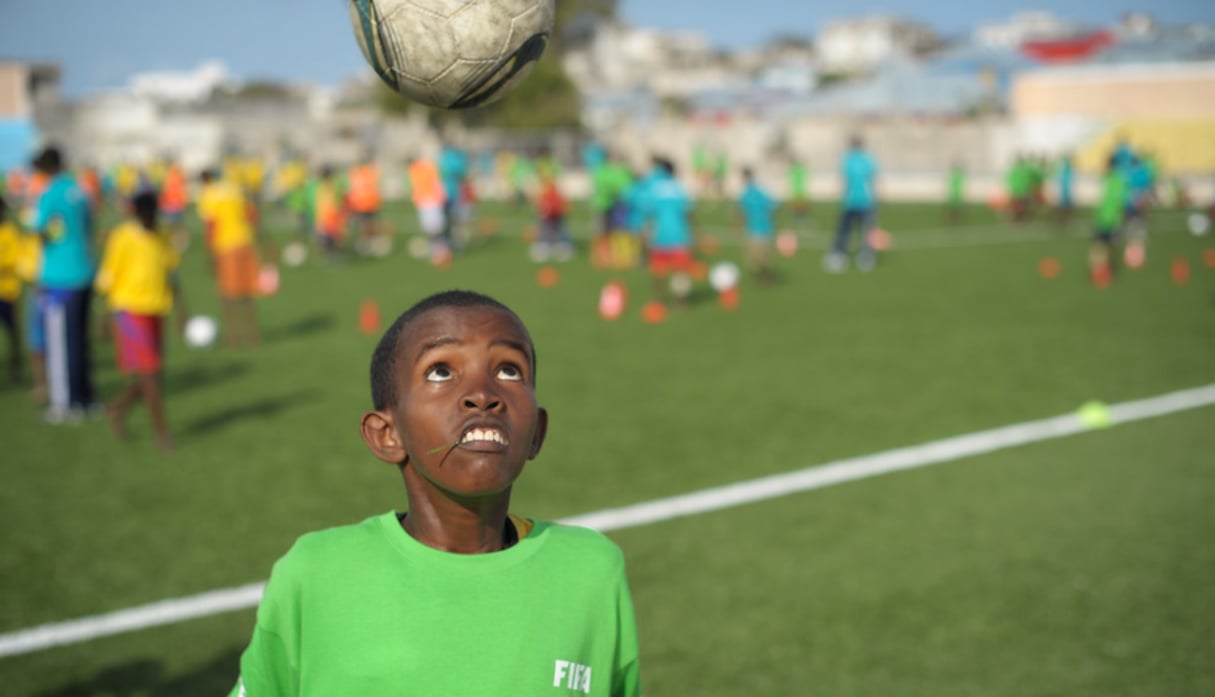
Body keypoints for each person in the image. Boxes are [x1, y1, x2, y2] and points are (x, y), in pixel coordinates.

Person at [228, 289, 643, 697]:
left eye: (509, 371)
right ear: (386, 435)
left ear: (537, 432)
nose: (483, 395)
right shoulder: (313, 574)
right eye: (441, 371)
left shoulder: (591, 572)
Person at [94, 191, 182, 450]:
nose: (149, 220)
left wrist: (181, 311)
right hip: (130, 312)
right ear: (136, 214)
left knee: (152, 375)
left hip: (157, 310)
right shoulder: (122, 238)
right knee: (150, 374)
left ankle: (118, 409)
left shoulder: (162, 236)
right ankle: (162, 435)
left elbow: (171, 273)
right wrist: (103, 316)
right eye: (145, 216)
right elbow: (108, 276)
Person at [30, 145, 98, 422]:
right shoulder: (81, 190)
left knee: (59, 343)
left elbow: (41, 230)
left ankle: (66, 404)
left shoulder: (49, 194)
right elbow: (88, 225)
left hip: (60, 277)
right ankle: (86, 397)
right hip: (84, 271)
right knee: (80, 340)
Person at [198, 168, 261, 347]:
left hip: (225, 245)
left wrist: (209, 252)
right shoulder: (235, 190)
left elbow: (211, 224)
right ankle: (253, 333)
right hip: (245, 242)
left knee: (227, 292)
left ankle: (234, 334)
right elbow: (252, 216)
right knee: (247, 291)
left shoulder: (209, 194)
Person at [641, 157, 695, 303]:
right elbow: (688, 213)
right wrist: (692, 233)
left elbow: (649, 214)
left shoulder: (654, 189)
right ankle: (681, 300)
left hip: (660, 236)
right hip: (679, 235)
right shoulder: (681, 188)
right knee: (680, 271)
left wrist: (645, 233)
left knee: (658, 271)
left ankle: (658, 299)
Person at [825, 135, 878, 273]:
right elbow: (873, 181)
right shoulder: (868, 160)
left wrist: (838, 193)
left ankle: (839, 256)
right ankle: (865, 256)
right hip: (866, 201)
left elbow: (844, 181)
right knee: (865, 230)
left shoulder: (847, 160)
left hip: (850, 201)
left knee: (845, 230)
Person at [1090, 154, 1127, 285]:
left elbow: (1119, 201)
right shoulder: (1115, 180)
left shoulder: (1113, 180)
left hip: (1107, 219)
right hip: (1105, 218)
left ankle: (1101, 273)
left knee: (1100, 247)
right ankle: (1102, 272)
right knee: (1102, 247)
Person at [738, 167, 778, 283]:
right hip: (754, 229)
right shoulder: (747, 193)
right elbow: (744, 212)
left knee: (759, 256)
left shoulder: (758, 191)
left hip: (762, 228)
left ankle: (766, 275)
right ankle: (765, 274)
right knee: (754, 258)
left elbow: (772, 206)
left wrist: (769, 218)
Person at [0, 195, 24, 384]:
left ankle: (16, 366)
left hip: (7, 291)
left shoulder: (9, 232)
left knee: (12, 332)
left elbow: (16, 258)